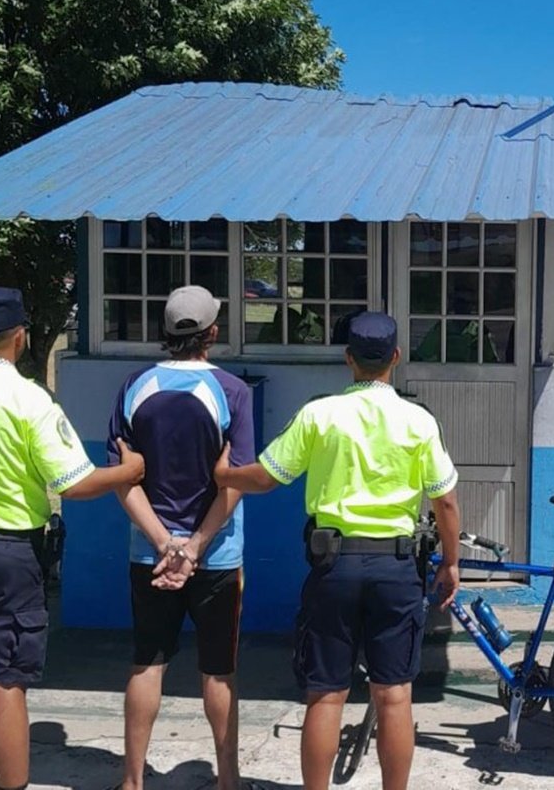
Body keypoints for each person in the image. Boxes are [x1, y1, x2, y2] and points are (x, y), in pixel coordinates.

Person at [0, 287, 145, 790]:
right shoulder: (29, 398)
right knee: (6, 681)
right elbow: (75, 484)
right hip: (9, 553)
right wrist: (129, 470)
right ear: (20, 336)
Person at [214, 311, 461, 790]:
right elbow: (445, 499)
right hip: (395, 567)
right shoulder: (418, 421)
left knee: (326, 696)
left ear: (348, 359)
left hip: (334, 566)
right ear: (396, 358)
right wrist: (450, 562)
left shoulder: (319, 414)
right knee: (394, 695)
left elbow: (266, 477)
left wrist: (224, 474)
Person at [106, 285, 256, 790]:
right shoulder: (233, 391)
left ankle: (132, 781)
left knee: (147, 663)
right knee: (219, 671)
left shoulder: (133, 385)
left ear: (165, 333)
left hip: (148, 554)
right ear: (213, 332)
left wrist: (163, 543)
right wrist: (192, 547)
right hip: (216, 555)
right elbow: (233, 480)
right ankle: (228, 780)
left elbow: (123, 478)